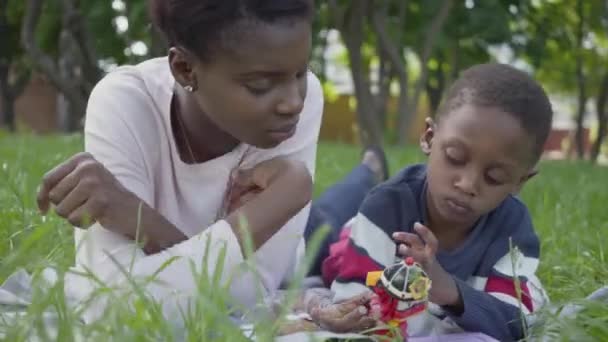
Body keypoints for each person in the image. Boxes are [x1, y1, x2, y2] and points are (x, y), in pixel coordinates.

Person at [34, 0, 390, 322]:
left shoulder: (295, 105)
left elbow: (256, 291)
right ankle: (368, 169)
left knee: (336, 218)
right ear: (185, 69)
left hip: (296, 247)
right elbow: (110, 304)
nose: (293, 101)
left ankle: (369, 170)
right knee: (326, 215)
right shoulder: (125, 105)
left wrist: (142, 221)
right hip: (285, 233)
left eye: (301, 73)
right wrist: (278, 202)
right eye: (261, 86)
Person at [303, 63, 553, 341]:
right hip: (349, 235)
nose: (467, 184)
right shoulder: (386, 206)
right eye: (455, 158)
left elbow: (515, 322)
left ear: (519, 181)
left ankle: (369, 170)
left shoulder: (513, 229)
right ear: (429, 138)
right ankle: (368, 169)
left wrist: (449, 289)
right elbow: (354, 304)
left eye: (494, 177)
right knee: (315, 230)